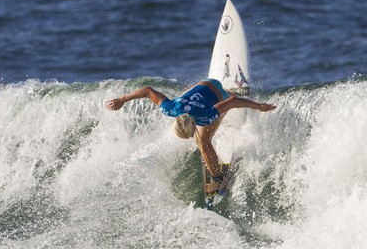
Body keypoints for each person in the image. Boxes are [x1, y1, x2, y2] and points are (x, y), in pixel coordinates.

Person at [106, 79, 276, 192]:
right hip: (205, 83)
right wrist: (122, 100)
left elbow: (233, 103)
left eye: (187, 135)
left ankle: (218, 178)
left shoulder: (206, 115)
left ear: (193, 124)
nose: (189, 138)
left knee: (203, 141)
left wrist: (259, 106)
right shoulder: (171, 109)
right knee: (197, 131)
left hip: (217, 92)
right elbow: (148, 91)